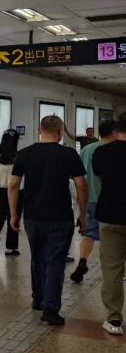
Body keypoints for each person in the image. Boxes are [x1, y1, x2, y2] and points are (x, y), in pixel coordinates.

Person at [9, 116, 87, 326]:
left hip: (33, 216)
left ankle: (38, 298)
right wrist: (83, 214)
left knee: (38, 257)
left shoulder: (24, 154)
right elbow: (81, 185)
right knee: (56, 261)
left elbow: (13, 185)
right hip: (60, 217)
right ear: (60, 132)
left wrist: (14, 214)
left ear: (39, 129)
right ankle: (51, 308)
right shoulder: (68, 154)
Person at [90, 115, 126, 336]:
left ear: (117, 130)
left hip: (110, 215)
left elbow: (100, 177)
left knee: (112, 269)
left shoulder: (102, 152)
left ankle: (114, 319)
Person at [69, 120, 116, 282]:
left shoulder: (87, 149)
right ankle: (114, 268)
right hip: (110, 199)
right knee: (113, 234)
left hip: (89, 198)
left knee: (89, 233)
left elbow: (79, 176)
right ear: (114, 132)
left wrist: (80, 201)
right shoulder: (114, 150)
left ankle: (82, 261)